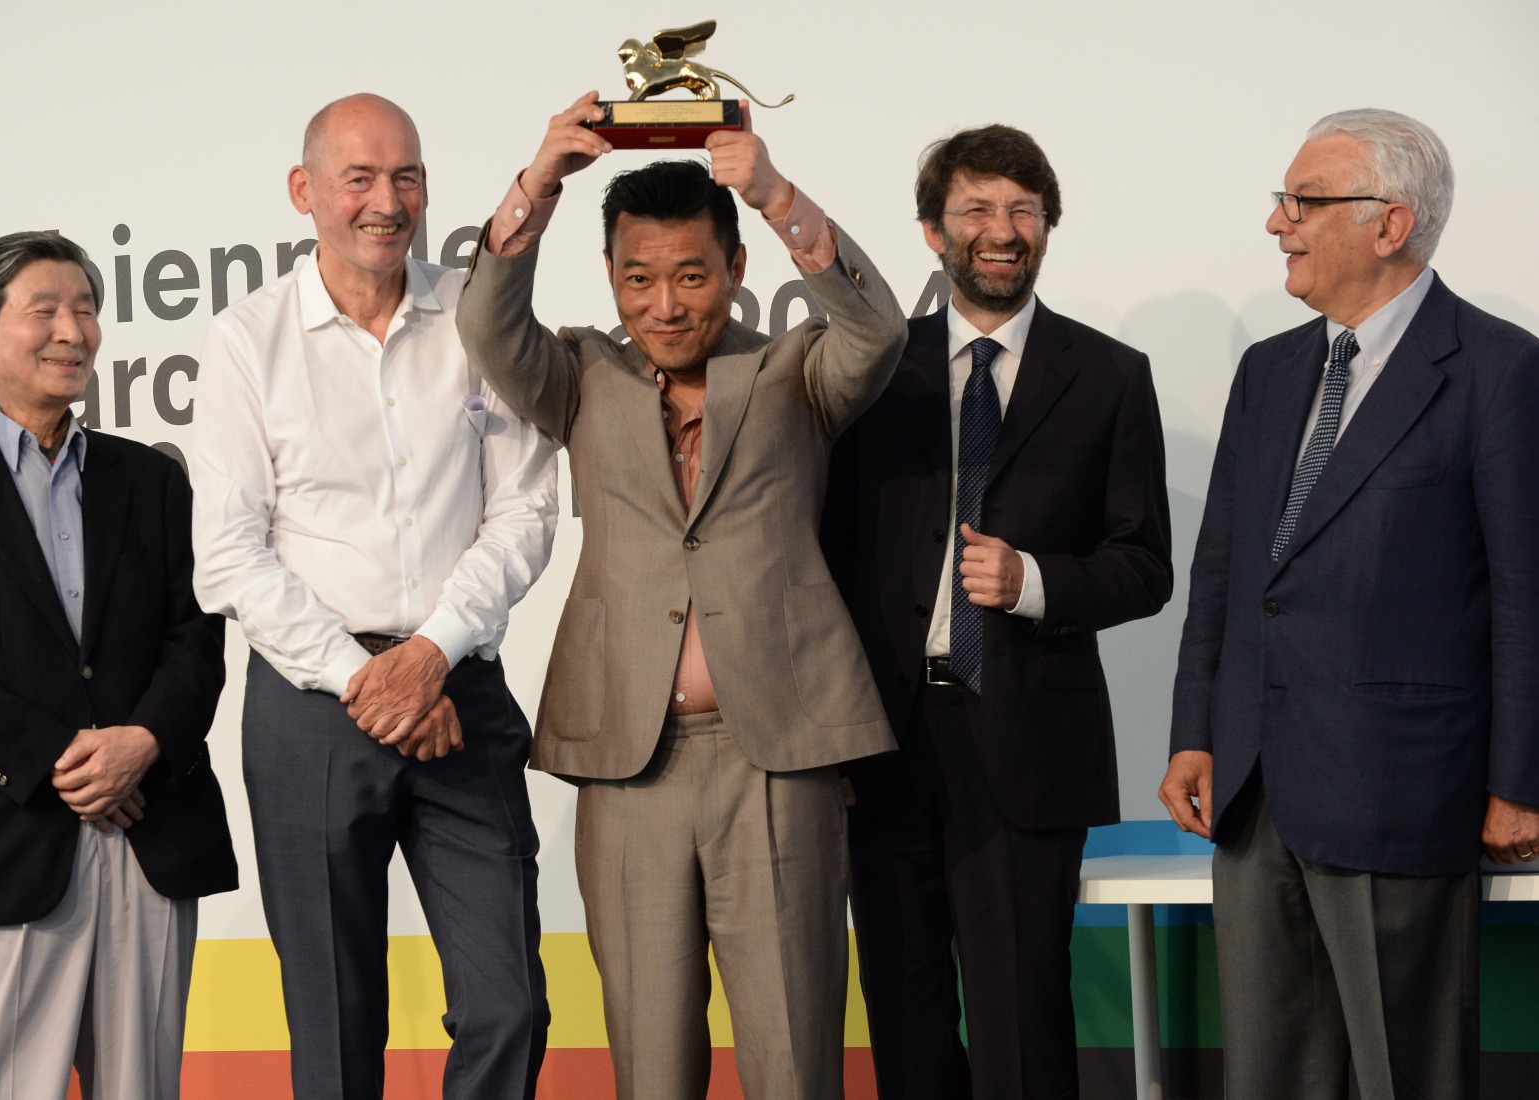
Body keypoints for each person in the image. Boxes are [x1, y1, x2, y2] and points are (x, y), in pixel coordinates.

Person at [454, 92, 907, 1100]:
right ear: (611, 278)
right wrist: (538, 183)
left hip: (778, 756)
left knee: (795, 1056)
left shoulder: (796, 371)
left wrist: (779, 195)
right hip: (629, 761)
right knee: (650, 1063)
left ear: (737, 271)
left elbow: (876, 327)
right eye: (640, 278)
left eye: (692, 275)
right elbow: (486, 317)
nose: (666, 304)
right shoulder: (578, 373)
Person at [1161, 108, 1539, 1099]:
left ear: (1390, 222)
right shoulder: (1269, 370)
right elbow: (1226, 573)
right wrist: (1195, 729)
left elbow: (1526, 592)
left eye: (1303, 201)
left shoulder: (1501, 370)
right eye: (1281, 200)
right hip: (1252, 793)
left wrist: (1520, 779)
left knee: (1403, 1075)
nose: (1278, 222)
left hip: (1405, 789)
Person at [191, 93, 558, 1100]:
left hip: (460, 696)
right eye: (359, 177)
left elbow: (525, 513)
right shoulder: (245, 339)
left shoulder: (479, 320)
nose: (386, 201)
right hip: (313, 707)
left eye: (405, 176)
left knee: (510, 1002)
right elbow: (228, 553)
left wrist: (431, 654)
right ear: (305, 192)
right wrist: (370, 679)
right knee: (337, 1017)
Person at [823, 124, 1173, 1098]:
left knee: (1024, 1018)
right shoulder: (872, 373)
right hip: (883, 743)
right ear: (934, 230)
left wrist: (1036, 582)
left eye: (1023, 209)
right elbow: (822, 561)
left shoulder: (1108, 374)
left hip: (1029, 742)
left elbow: (1146, 566)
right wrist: (831, 735)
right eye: (977, 208)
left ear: (1049, 226)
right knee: (905, 1012)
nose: (1002, 230)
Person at [0, 231, 238, 1100]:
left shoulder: (150, 480)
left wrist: (140, 743)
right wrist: (57, 758)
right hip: (4, 834)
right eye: (43, 311)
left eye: (84, 309)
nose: (71, 331)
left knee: (142, 1086)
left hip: (147, 825)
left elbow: (197, 638)